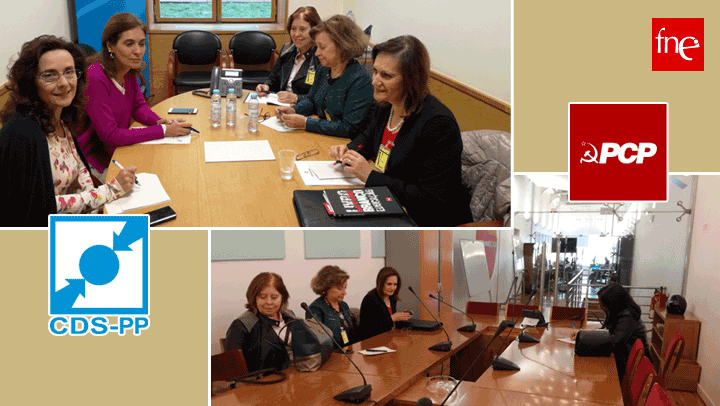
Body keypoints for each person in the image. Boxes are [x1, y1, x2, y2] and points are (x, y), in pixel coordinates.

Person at [329, 35, 473, 226]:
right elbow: (368, 138)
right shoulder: (385, 106)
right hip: (391, 203)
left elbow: (431, 198)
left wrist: (370, 177)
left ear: (412, 80)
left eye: (386, 76)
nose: (374, 81)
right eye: (375, 72)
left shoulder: (438, 124)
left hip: (428, 221)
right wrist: (350, 151)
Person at [0, 35, 137, 226]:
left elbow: (82, 176)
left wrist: (99, 210)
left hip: (81, 221)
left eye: (69, 72)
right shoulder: (22, 132)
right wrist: (111, 190)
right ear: (31, 82)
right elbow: (39, 207)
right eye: (50, 75)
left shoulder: (62, 118)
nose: (64, 83)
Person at [78, 12, 192, 181]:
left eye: (141, 44)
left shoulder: (128, 70)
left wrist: (160, 121)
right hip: (94, 160)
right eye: (129, 44)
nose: (138, 51)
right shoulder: (95, 76)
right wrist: (164, 131)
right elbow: (110, 135)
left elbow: (139, 106)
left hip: (117, 150)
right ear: (110, 46)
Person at [275, 15, 373, 138]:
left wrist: (306, 123)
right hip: (322, 135)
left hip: (342, 144)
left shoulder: (360, 81)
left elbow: (349, 128)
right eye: (317, 47)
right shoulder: (325, 68)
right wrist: (294, 110)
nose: (317, 53)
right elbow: (311, 100)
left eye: (322, 47)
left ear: (342, 46)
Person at [572, 284, 650, 379]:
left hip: (625, 365)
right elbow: (605, 332)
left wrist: (586, 339)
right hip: (621, 357)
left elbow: (614, 343)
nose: (599, 307)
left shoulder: (627, 318)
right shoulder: (616, 312)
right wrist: (583, 335)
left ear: (612, 303)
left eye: (602, 304)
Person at [225, 272, 295, 372]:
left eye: (274, 297)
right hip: (262, 383)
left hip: (295, 376)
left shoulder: (289, 316)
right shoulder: (242, 325)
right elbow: (232, 368)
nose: (269, 302)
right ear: (254, 298)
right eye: (262, 297)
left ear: (282, 298)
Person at [255, 6, 322, 104]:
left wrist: (296, 98)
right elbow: (273, 78)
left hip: (305, 110)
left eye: (302, 29)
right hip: (280, 105)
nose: (296, 34)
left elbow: (321, 96)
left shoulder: (320, 56)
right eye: (293, 29)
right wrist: (266, 86)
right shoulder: (287, 50)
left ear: (314, 31)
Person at [306, 265, 355, 347]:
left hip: (348, 351)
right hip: (330, 356)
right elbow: (319, 341)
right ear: (326, 288)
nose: (344, 292)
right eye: (340, 289)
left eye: (345, 288)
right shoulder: (315, 309)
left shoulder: (343, 305)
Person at [359, 267, 411, 340]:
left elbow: (389, 324)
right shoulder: (370, 299)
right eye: (389, 284)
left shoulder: (392, 298)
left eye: (395, 284)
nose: (393, 288)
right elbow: (370, 328)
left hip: (387, 339)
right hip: (371, 342)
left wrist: (401, 317)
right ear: (380, 283)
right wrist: (392, 318)